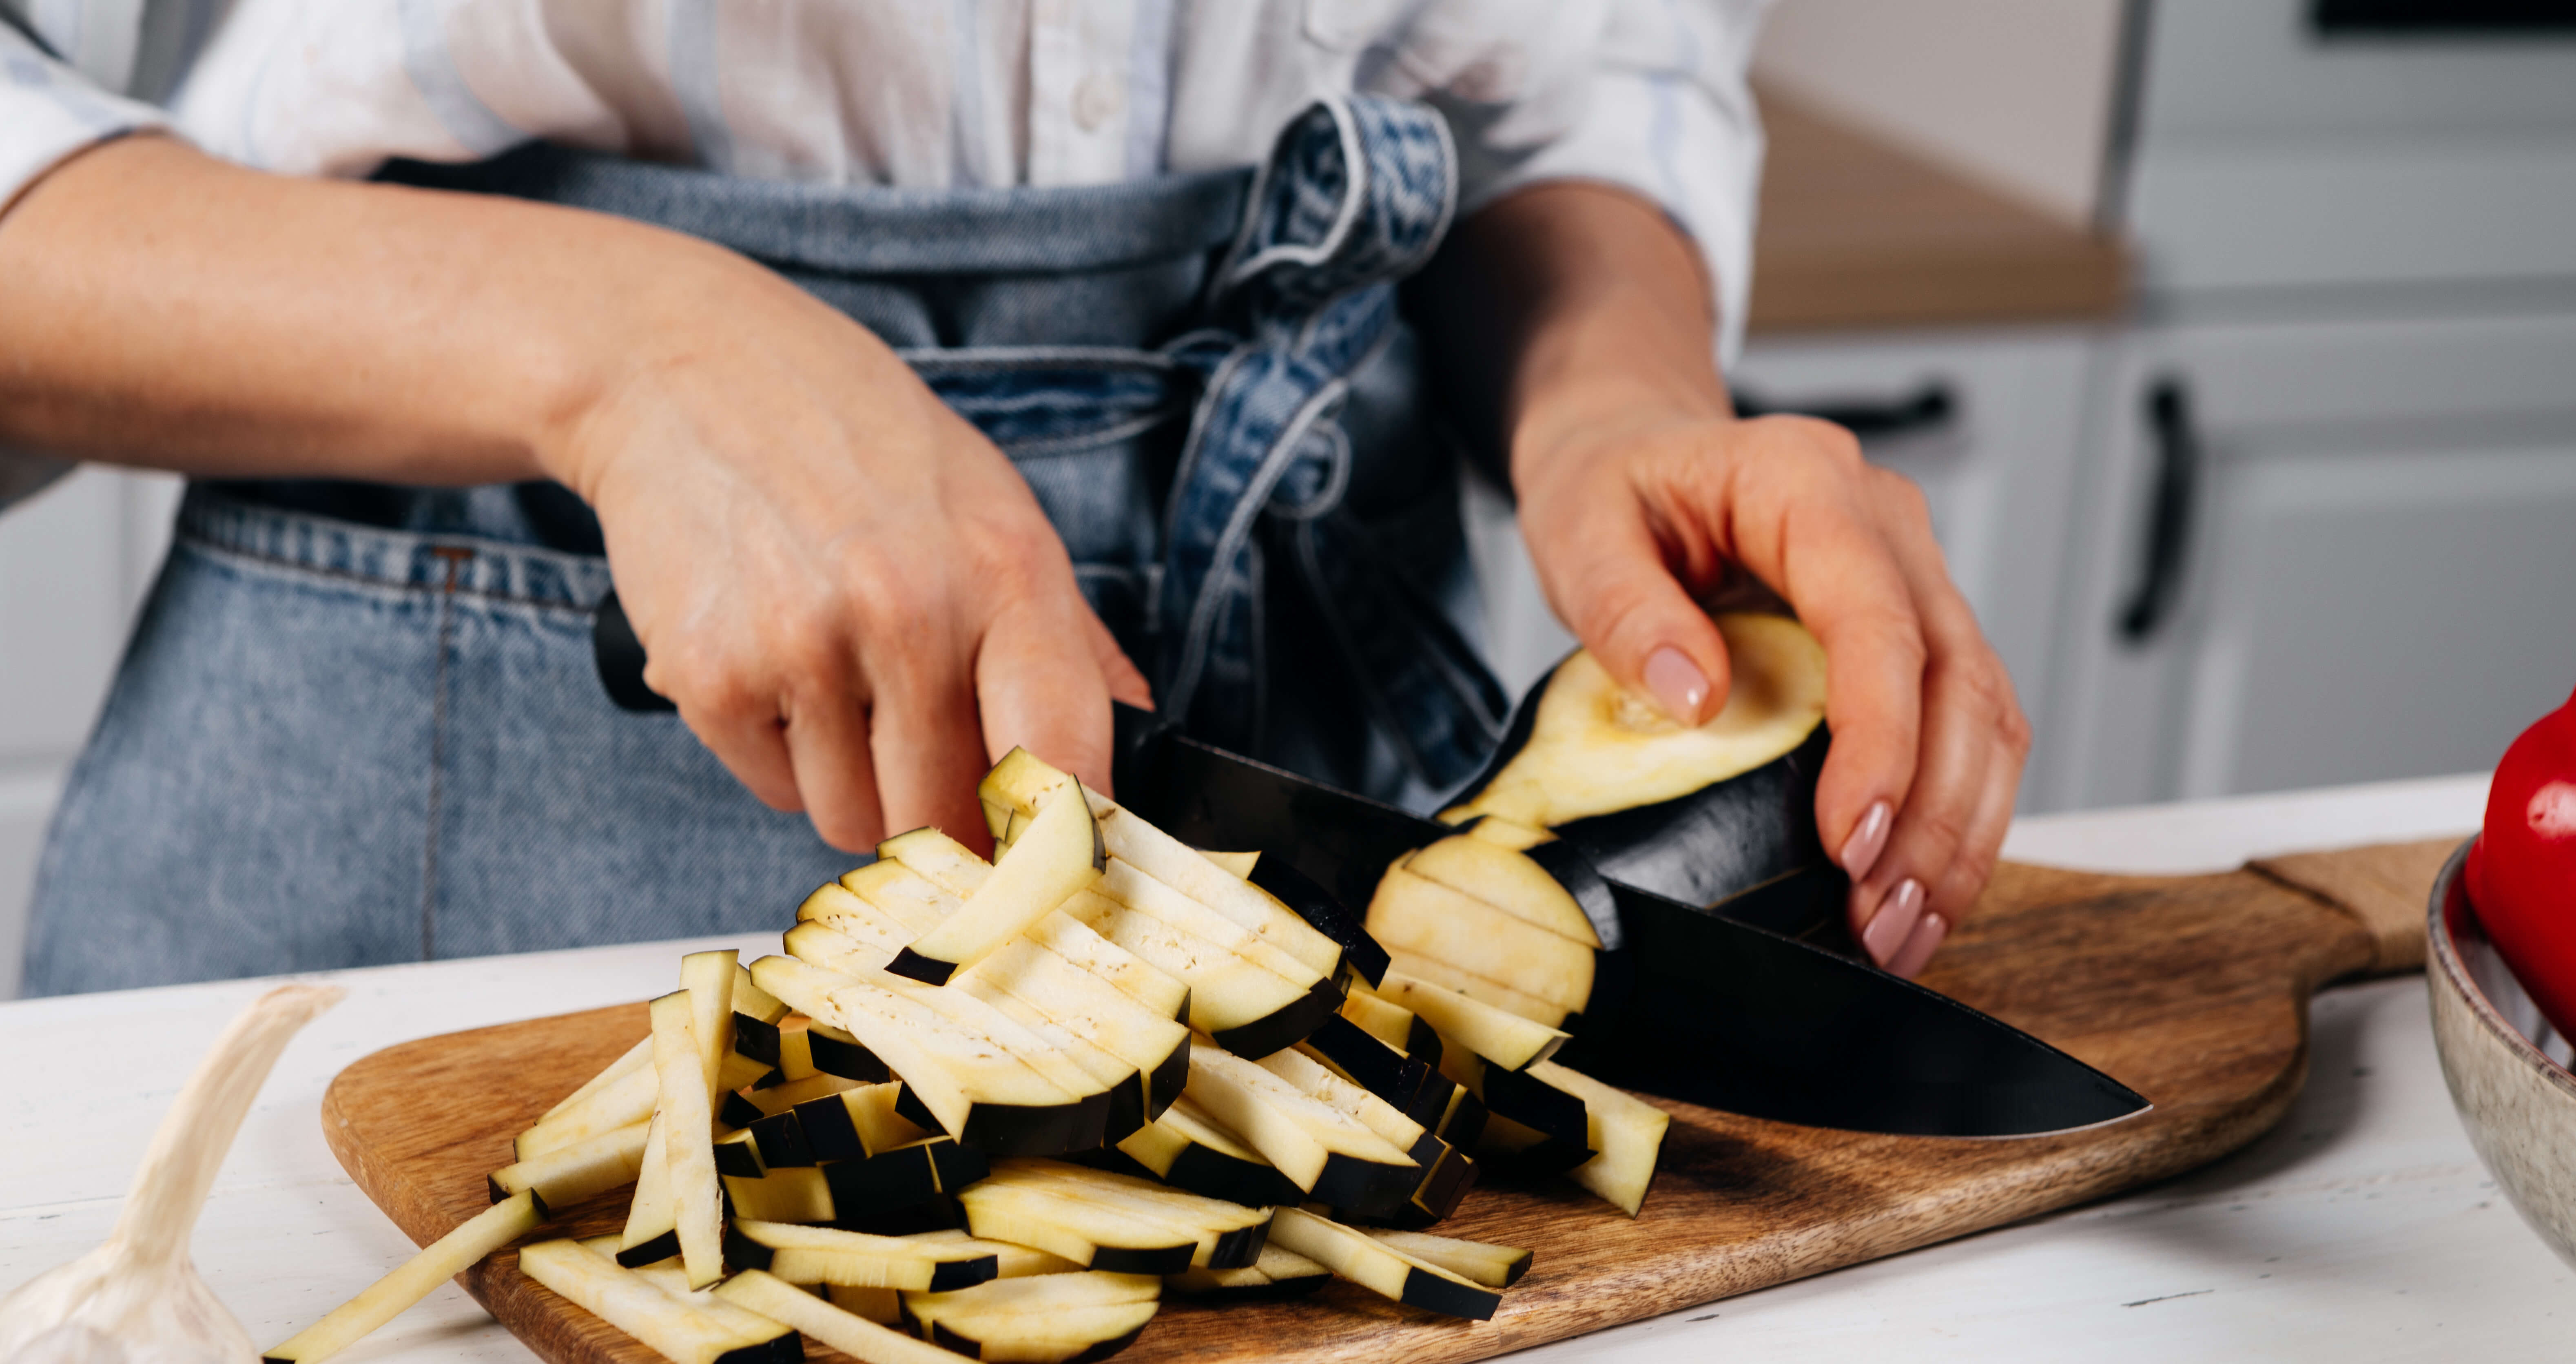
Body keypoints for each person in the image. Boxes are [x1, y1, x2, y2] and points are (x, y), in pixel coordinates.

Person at [0, 2, 2027, 998]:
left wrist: (1613, 401)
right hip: (458, 697)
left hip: (1297, 714)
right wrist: (633, 355)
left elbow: (1570, 70)